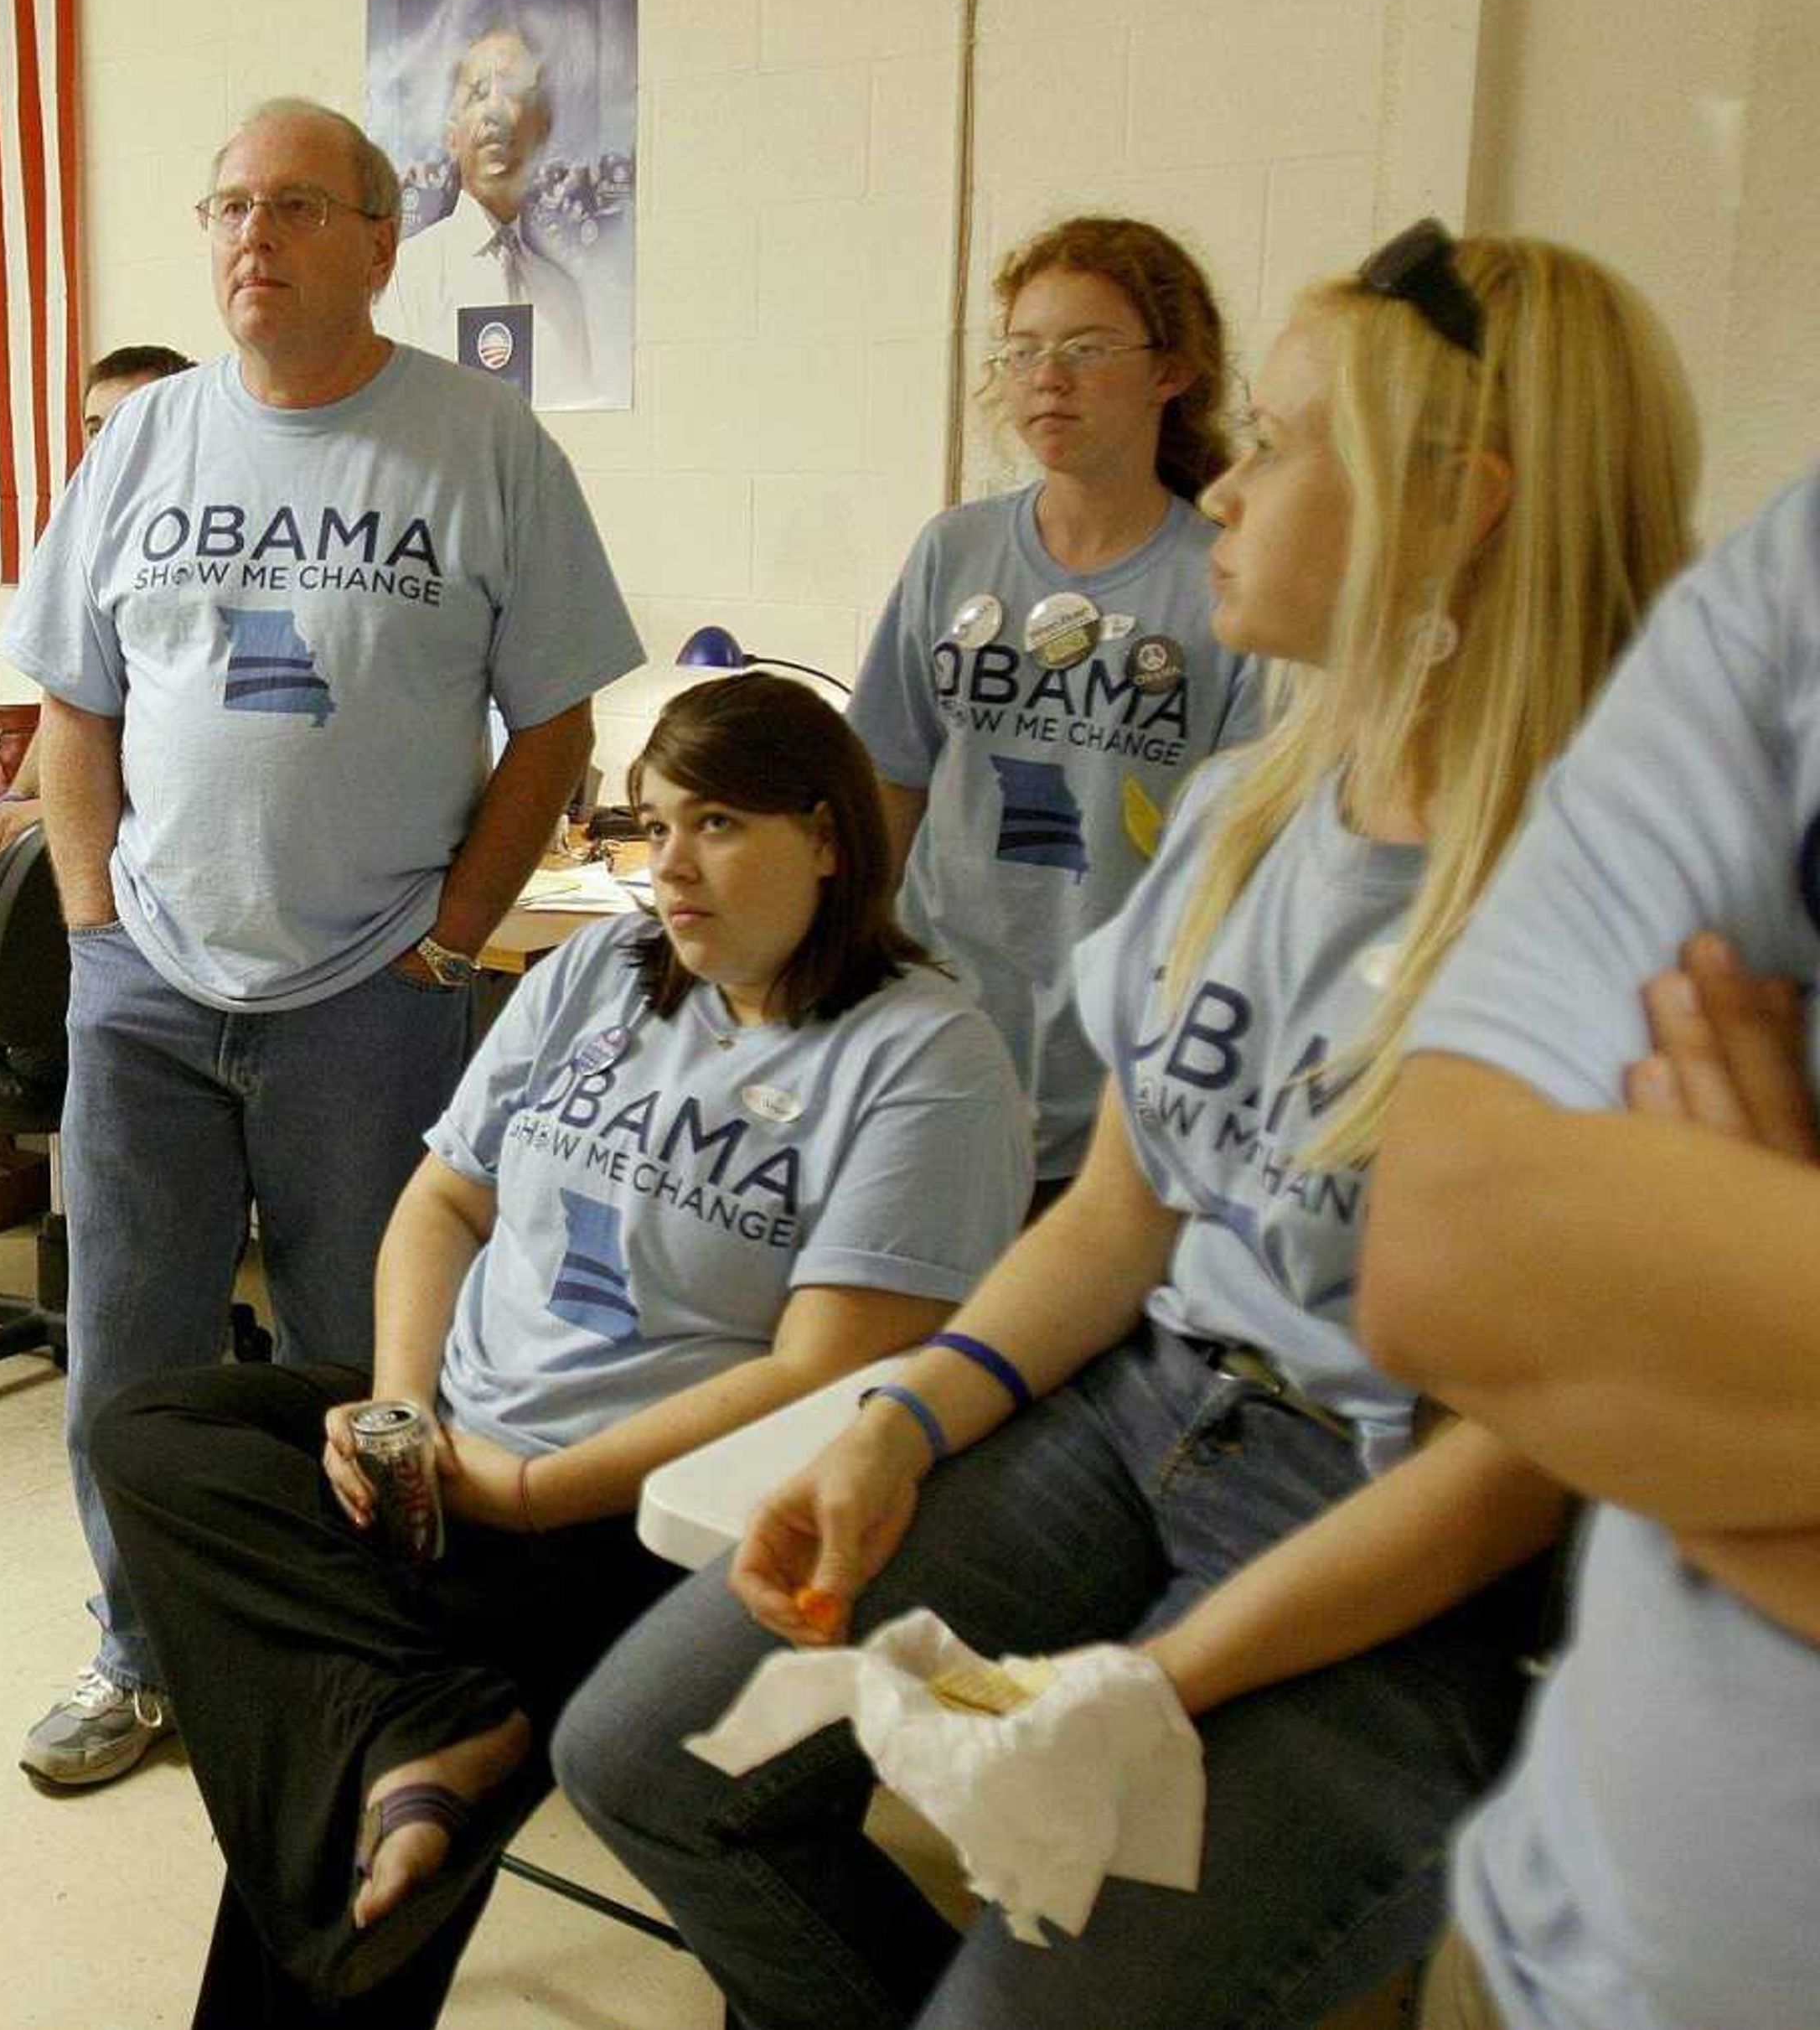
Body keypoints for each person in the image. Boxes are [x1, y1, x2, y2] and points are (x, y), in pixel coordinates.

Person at [551, 224, 1700, 2029]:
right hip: (1149, 1405)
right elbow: (1117, 1216)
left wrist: (1161, 1681)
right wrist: (901, 1426)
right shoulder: (1258, 810)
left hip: (1414, 1528)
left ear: (1459, 505)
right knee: (646, 1750)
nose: (1227, 490)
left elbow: (1511, 1464)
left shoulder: (1645, 919)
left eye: (1284, 442)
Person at [92, 673, 1031, 2025]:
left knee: (349, 1717)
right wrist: (405, 1413)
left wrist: (531, 1492)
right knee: (163, 1436)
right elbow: (445, 1200)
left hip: (647, 1517)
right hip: (457, 1446)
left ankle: (417, 1740)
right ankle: (423, 1731)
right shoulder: (599, 970)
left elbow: (822, 1373)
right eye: (652, 826)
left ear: (829, 837)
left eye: (716, 824)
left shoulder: (925, 1057)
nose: (672, 867)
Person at [0, 96, 643, 1789]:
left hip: (372, 993)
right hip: (149, 983)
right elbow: (73, 706)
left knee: (360, 1374)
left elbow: (559, 725)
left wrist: (448, 936)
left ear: (381, 236)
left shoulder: (482, 446)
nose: (248, 242)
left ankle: (353, 1682)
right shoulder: (140, 447)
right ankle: (140, 1653)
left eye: (291, 208)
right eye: (223, 210)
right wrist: (87, 931)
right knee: (130, 1362)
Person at [1357, 469, 1820, 2030]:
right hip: (1552, 1938)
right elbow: (1453, 1254)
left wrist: (1711, 1359)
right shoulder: (1793, 583)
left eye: (1285, 443)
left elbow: (1531, 1376)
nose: (1225, 490)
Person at [850, 217, 1256, 1206]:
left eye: (1085, 349)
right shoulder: (956, 551)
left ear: (1172, 370)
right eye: (1024, 351)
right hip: (936, 1042)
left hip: (1121, 1069)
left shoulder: (1228, 580)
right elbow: (887, 781)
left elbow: (1243, 855)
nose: (1047, 379)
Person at [0, 344, 195, 1036]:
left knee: (29, 860)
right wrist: (14, 799)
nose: (108, 443)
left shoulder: (199, 543)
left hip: (154, 812)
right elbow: (66, 699)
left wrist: (47, 811)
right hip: (88, 786)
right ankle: (21, 1036)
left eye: (130, 419)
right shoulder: (95, 532)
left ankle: (55, 1041)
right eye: (96, 427)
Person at [384, 23, 595, 402]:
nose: (495, 112)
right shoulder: (406, 277)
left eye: (513, 91)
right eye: (478, 93)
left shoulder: (563, 298)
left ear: (543, 127)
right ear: (451, 136)